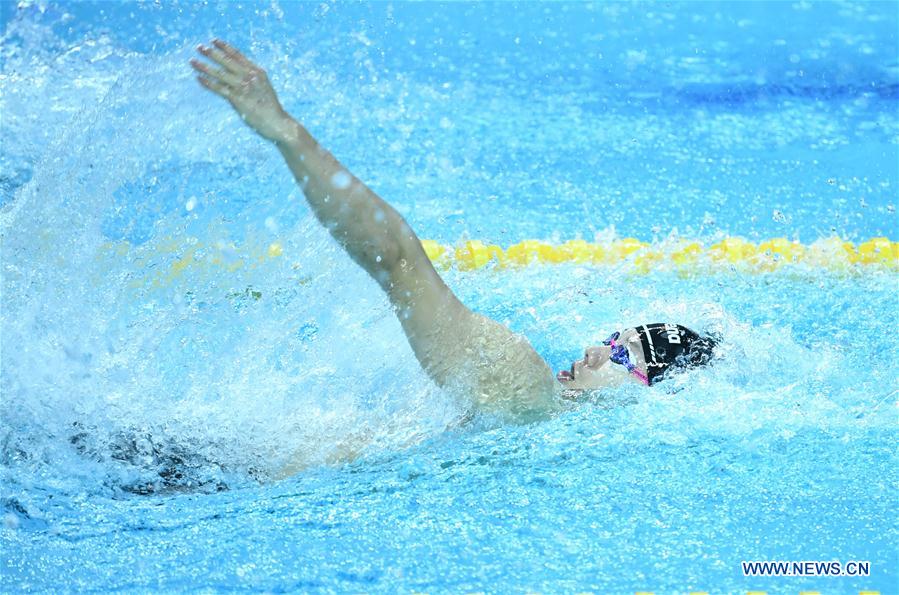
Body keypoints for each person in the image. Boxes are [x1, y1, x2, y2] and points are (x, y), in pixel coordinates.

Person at [189, 40, 718, 425]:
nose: (592, 353)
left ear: (646, 394)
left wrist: (290, 134)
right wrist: (288, 134)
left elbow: (395, 258)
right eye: (610, 339)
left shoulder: (529, 402)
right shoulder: (519, 383)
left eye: (622, 356)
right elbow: (394, 261)